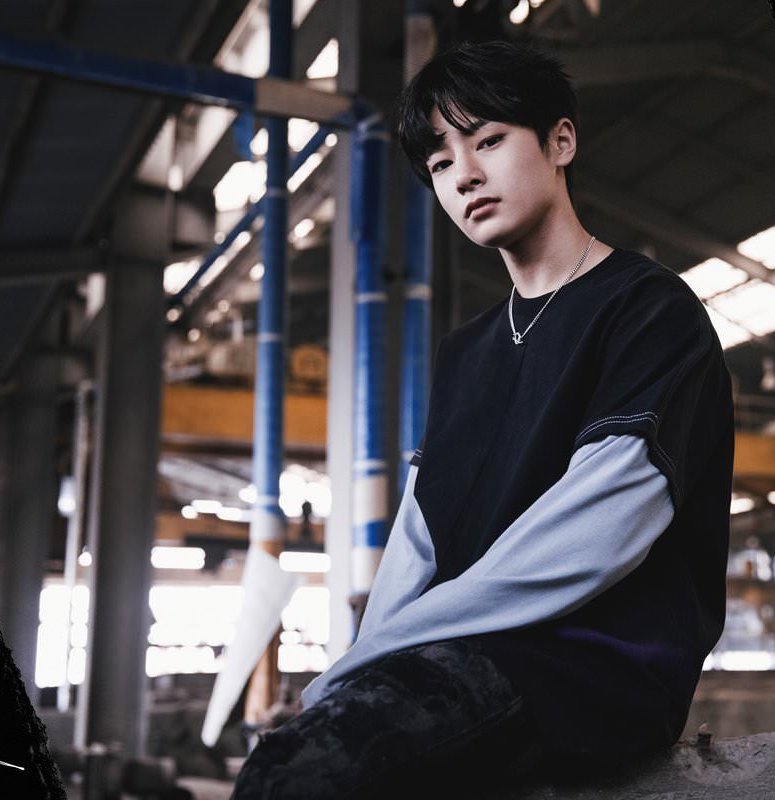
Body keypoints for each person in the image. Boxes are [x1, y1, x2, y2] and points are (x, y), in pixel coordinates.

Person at [233, 39, 734, 799]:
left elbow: (596, 532)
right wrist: (358, 661)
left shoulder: (648, 309)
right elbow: (420, 536)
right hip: (464, 653)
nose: (463, 174)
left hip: (593, 664)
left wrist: (386, 651)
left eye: (489, 141)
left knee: (303, 775)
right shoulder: (465, 350)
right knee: (289, 760)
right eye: (440, 164)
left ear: (561, 141)